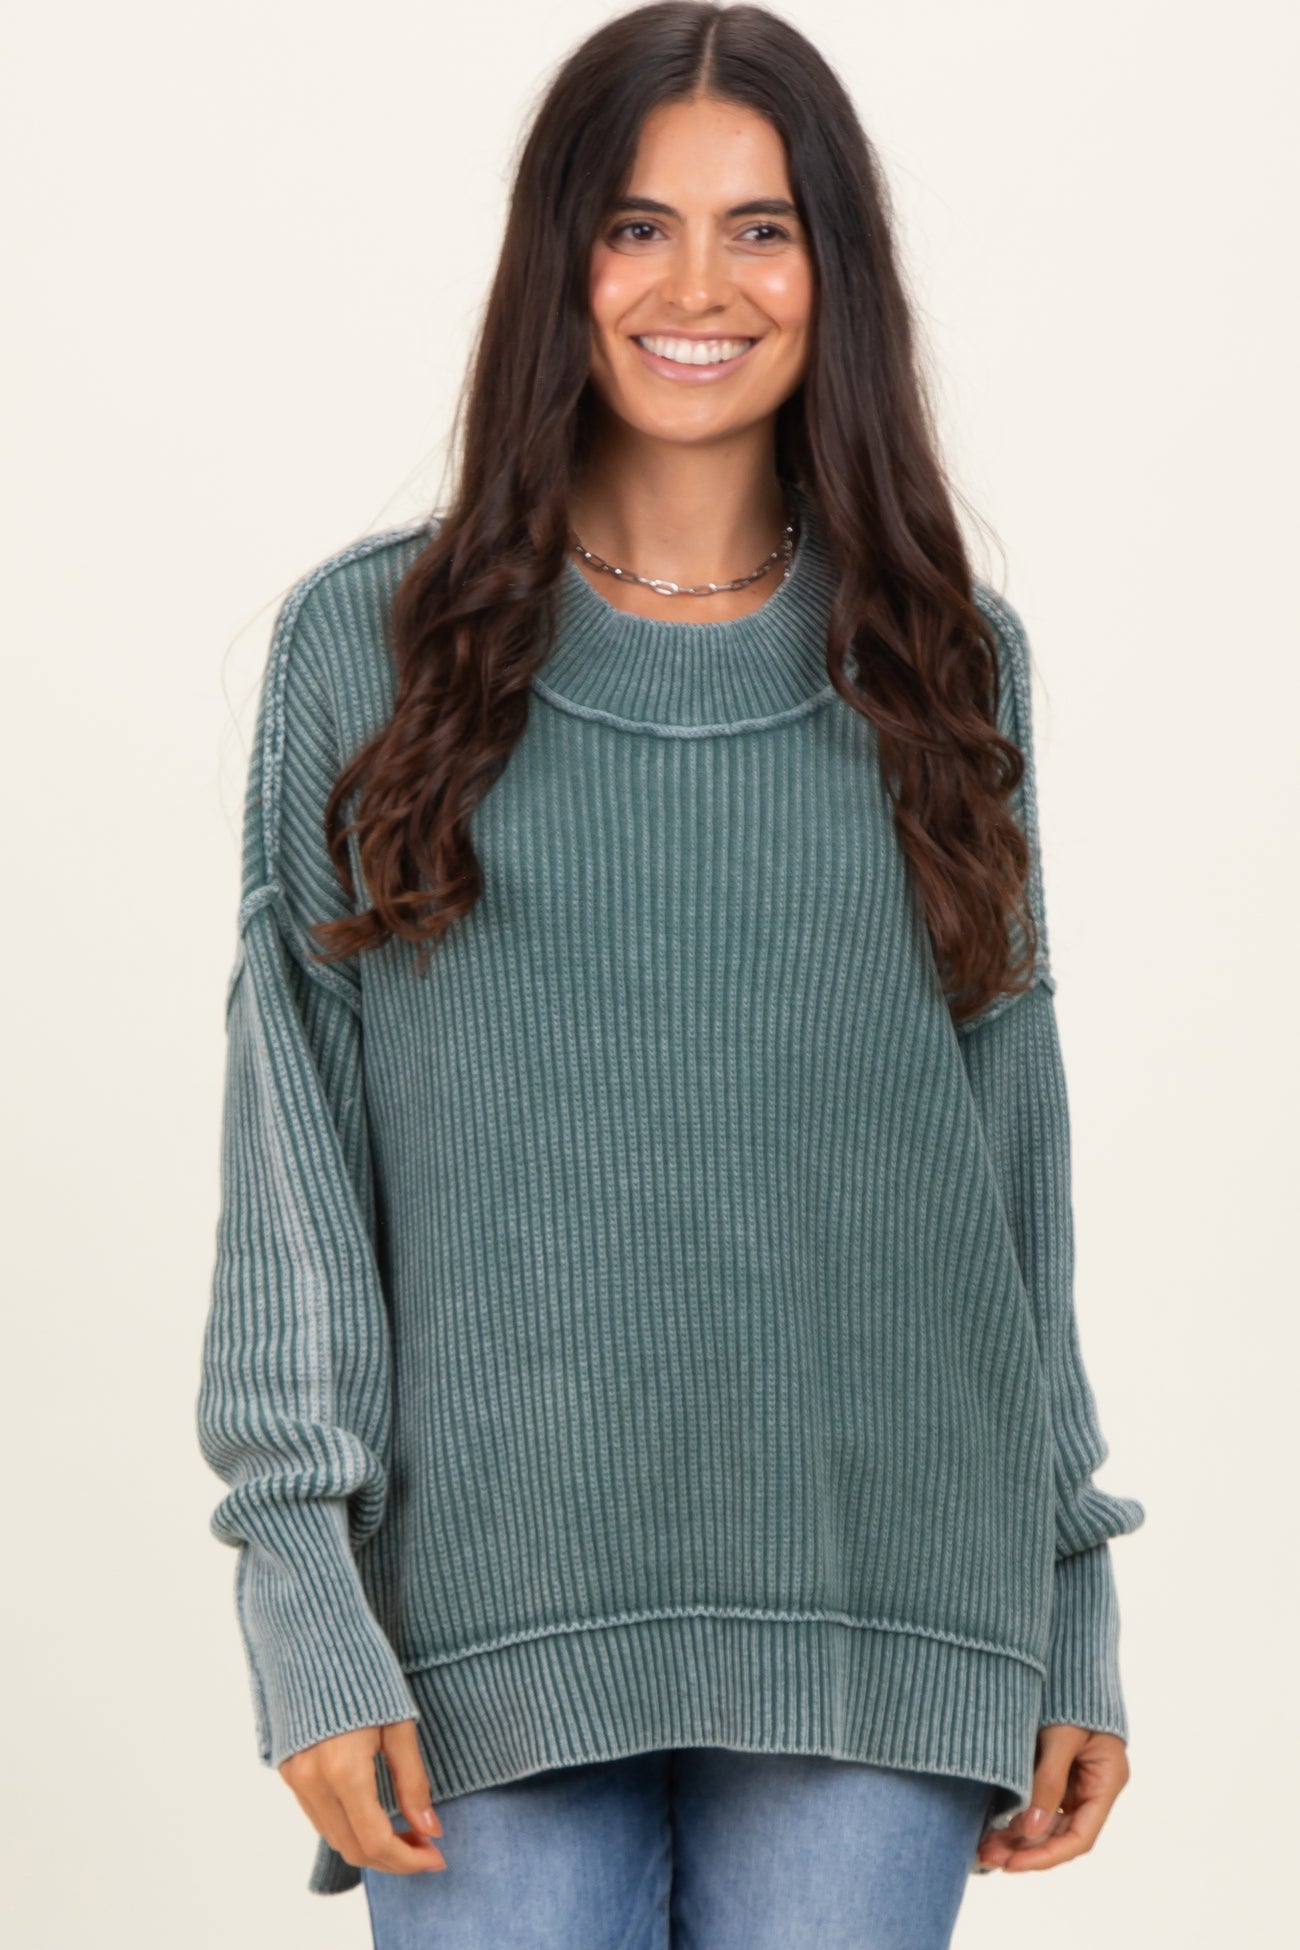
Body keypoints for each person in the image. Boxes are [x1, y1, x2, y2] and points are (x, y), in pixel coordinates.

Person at [195, 4, 1146, 1944]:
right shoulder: (366, 654)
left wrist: (1072, 1587)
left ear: (833, 273)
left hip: (881, 1610)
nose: (695, 285)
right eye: (635, 227)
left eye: (759, 229)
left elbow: (1004, 1158)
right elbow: (292, 1148)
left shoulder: (944, 664)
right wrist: (302, 1598)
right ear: (557, 262)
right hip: (480, 1628)